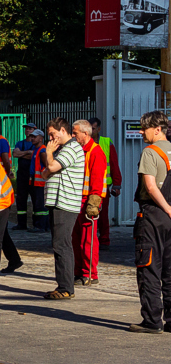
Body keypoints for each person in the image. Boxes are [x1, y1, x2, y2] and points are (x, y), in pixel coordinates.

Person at [129, 110, 171, 333]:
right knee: (170, 270)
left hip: (154, 215)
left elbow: (151, 187)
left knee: (149, 268)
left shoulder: (150, 152)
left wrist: (167, 208)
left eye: (144, 128)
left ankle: (152, 320)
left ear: (158, 129)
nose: (141, 131)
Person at [40, 117, 85, 300]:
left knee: (62, 245)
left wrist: (48, 152)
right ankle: (64, 285)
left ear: (63, 131)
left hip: (65, 204)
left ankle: (66, 287)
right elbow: (45, 173)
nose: (50, 139)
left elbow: (50, 167)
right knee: (59, 244)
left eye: (53, 134)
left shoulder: (72, 148)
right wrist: (51, 160)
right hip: (59, 203)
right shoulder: (64, 150)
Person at [72, 119, 105, 287]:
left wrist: (93, 203)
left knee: (88, 240)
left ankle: (90, 273)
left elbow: (97, 181)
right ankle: (79, 272)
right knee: (77, 239)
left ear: (85, 133)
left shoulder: (95, 151)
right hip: (78, 199)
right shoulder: (81, 150)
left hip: (87, 201)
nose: (72, 135)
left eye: (75, 132)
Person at [89, 117, 122, 248]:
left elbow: (114, 165)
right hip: (88, 185)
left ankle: (104, 240)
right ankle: (91, 239)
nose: (91, 131)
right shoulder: (83, 144)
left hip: (103, 186)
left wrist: (117, 185)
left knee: (103, 215)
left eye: (93, 128)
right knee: (89, 214)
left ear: (99, 129)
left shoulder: (106, 143)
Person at [12, 122, 40, 231]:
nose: (27, 130)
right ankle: (21, 223)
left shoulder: (37, 145)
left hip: (33, 176)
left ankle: (37, 224)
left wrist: (24, 154)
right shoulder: (20, 143)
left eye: (30, 129)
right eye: (26, 129)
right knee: (21, 199)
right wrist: (28, 152)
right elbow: (15, 154)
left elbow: (35, 156)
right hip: (22, 176)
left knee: (35, 199)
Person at [30, 128, 51, 232]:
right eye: (32, 137)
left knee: (40, 205)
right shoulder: (36, 149)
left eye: (34, 137)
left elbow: (48, 165)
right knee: (37, 204)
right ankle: (39, 224)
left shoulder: (42, 150)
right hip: (36, 182)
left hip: (40, 183)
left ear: (41, 138)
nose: (32, 138)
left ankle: (41, 225)